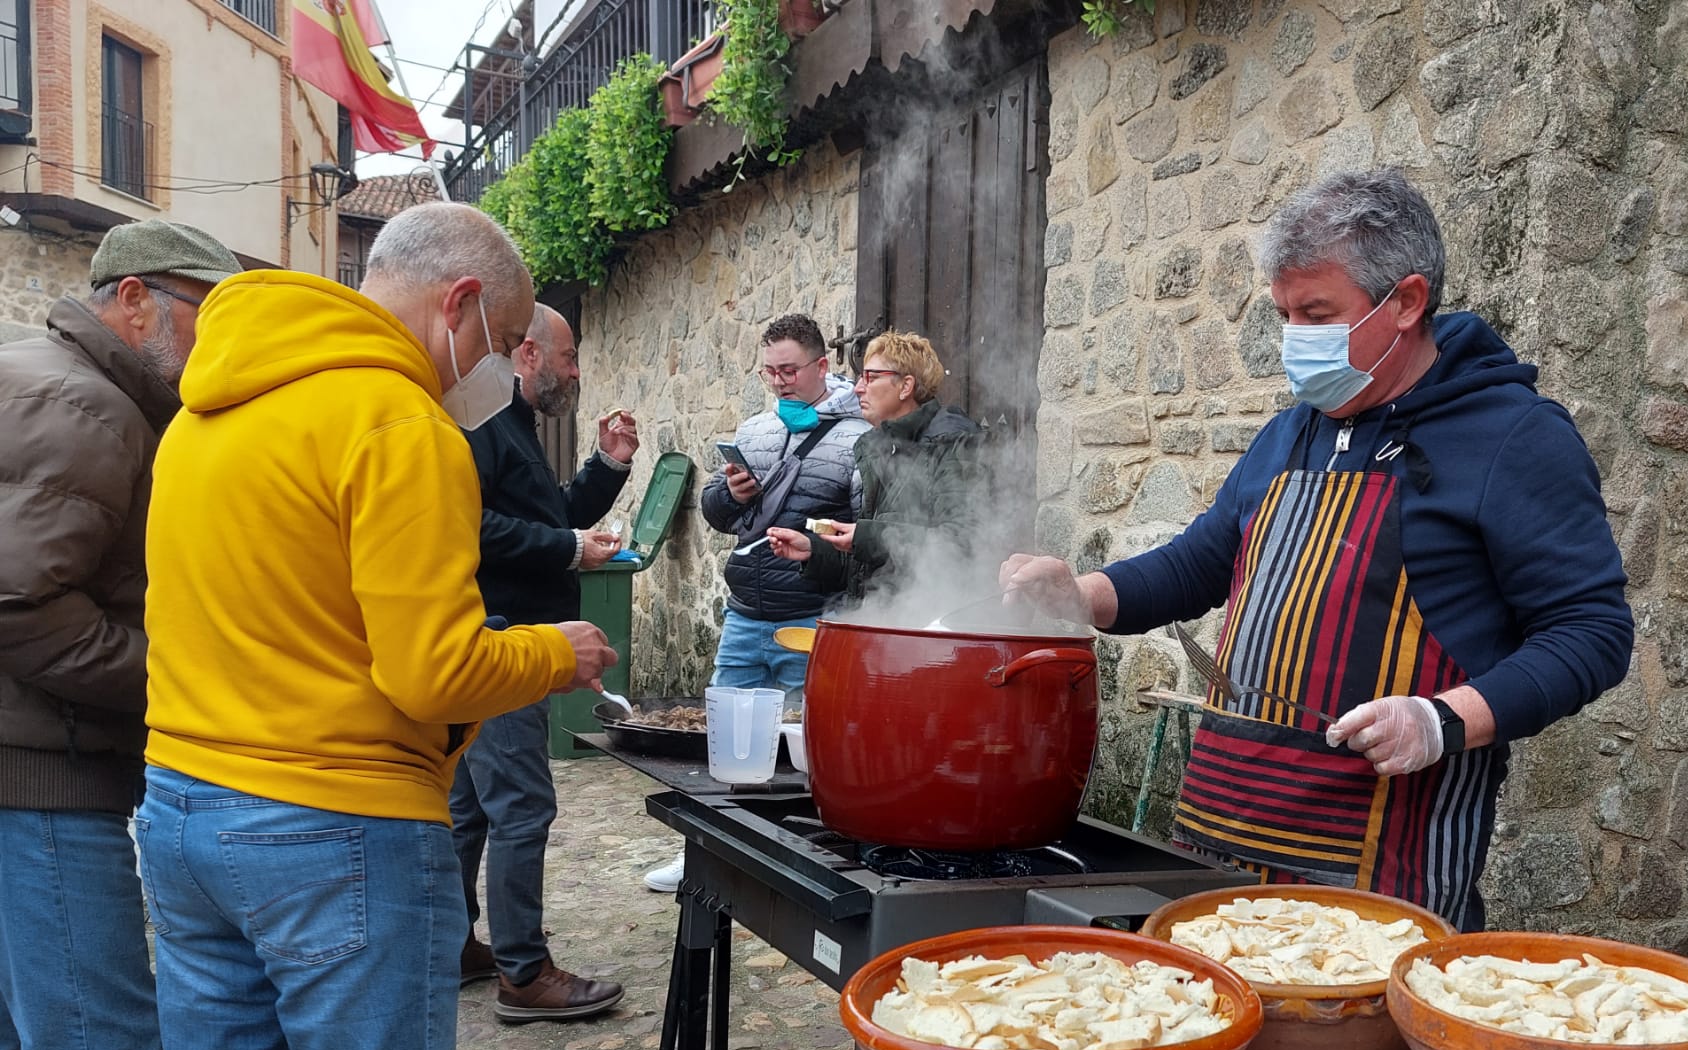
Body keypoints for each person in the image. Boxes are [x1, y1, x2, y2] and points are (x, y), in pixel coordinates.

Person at [60, 202, 615, 1050]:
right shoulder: (396, 422)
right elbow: (431, 669)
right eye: (495, 344)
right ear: (465, 307)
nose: (485, 374)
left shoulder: (206, 408)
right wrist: (559, 652)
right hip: (338, 832)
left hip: (189, 817)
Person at [1002, 169, 1632, 932]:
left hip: (1384, 857)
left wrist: (1442, 719)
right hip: (1221, 832)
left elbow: (1591, 634)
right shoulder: (1293, 430)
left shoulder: (1514, 435)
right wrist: (1083, 596)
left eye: (1318, 311)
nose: (1295, 337)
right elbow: (1202, 561)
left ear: (1405, 302)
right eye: (1285, 313)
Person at [0, 221, 302, 1050]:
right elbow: (21, 601)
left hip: (25, 762)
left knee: (26, 1043)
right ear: (131, 300)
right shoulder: (90, 409)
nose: (211, 334)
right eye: (199, 307)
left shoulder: (45, 375)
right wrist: (177, 673)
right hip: (44, 770)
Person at [453, 302, 634, 1021]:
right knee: (521, 809)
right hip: (501, 645)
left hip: (502, 643)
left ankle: (454, 947)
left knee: (466, 812)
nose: (575, 370)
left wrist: (607, 467)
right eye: (567, 357)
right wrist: (567, 550)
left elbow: (549, 514)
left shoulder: (512, 421)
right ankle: (524, 973)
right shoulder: (478, 421)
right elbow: (471, 525)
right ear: (528, 353)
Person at [645, 312, 866, 894]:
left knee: (803, 747)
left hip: (813, 613)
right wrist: (727, 492)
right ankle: (701, 855)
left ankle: (796, 859)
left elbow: (867, 533)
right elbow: (722, 516)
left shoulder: (861, 436)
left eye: (789, 370)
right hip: (746, 611)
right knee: (724, 741)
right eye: (769, 371)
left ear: (822, 365)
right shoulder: (756, 430)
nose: (778, 382)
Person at [766, 329, 984, 603]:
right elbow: (875, 569)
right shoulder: (880, 448)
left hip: (930, 627)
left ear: (905, 386)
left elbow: (961, 545)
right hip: (884, 623)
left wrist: (865, 537)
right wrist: (815, 551)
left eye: (870, 377)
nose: (858, 387)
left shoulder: (954, 444)